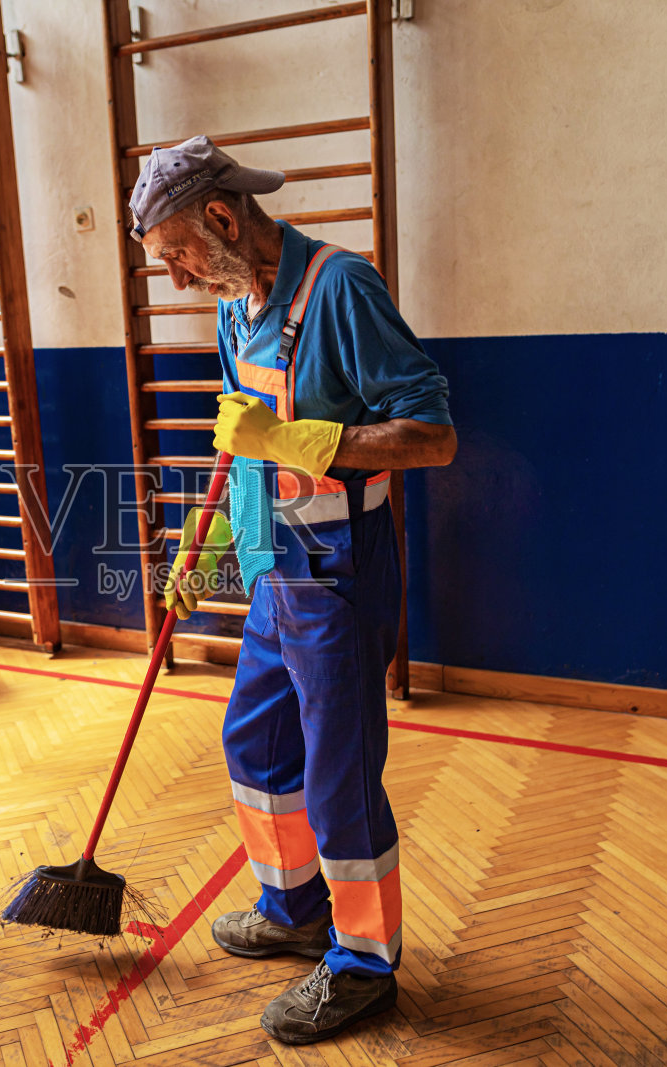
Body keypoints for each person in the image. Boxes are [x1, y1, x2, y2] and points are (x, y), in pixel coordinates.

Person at [130, 137, 457, 1046]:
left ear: (224, 219)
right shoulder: (239, 301)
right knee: (256, 743)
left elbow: (432, 435)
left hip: (340, 574)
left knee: (337, 775)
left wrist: (307, 442)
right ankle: (294, 906)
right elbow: (245, 449)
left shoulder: (342, 289)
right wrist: (214, 553)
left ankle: (362, 962)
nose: (181, 277)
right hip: (277, 569)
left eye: (179, 254)